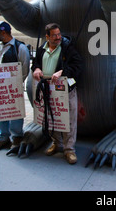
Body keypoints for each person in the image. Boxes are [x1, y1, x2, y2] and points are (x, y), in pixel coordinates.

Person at [31, 23, 83, 164]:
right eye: (54, 35)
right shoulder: (42, 49)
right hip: (48, 90)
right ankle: (56, 143)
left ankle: (69, 149)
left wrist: (63, 71)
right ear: (47, 37)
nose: (58, 37)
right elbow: (35, 63)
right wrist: (36, 69)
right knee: (51, 117)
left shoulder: (67, 48)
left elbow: (77, 65)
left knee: (69, 120)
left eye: (59, 34)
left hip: (65, 90)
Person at [0, 21, 30, 153]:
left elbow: (25, 67)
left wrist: (15, 83)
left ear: (3, 32)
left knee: (14, 112)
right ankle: (3, 137)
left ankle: (16, 136)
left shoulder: (20, 48)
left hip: (12, 88)